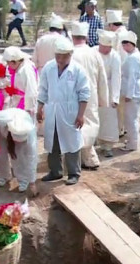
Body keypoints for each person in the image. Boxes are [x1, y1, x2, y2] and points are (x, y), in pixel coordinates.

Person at [37, 37, 90, 186]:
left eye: (63, 56)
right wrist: (40, 107)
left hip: (70, 112)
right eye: (57, 56)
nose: (60, 59)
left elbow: (84, 93)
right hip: (52, 110)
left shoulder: (78, 70)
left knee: (72, 142)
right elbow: (43, 89)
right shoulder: (49, 67)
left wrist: (81, 114)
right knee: (52, 142)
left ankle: (74, 173)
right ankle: (55, 171)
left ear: (70, 55)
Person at [70, 21, 109, 170]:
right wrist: (103, 98)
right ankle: (90, 158)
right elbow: (102, 77)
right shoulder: (94, 53)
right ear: (86, 37)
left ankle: (80, 158)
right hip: (91, 94)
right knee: (90, 124)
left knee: (77, 125)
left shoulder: (71, 53)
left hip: (74, 95)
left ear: (73, 37)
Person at [0, 108, 39, 195]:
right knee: (1, 154)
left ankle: (23, 180)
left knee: (20, 156)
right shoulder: (1, 120)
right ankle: (4, 176)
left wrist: (32, 182)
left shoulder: (30, 134)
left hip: (13, 133)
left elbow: (32, 158)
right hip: (1, 131)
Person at [96, 29, 121, 158]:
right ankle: (93, 142)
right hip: (95, 88)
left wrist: (115, 97)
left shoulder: (115, 56)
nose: (107, 50)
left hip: (109, 90)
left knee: (108, 119)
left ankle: (108, 146)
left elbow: (117, 77)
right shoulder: (93, 52)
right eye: (105, 46)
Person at [120, 31, 140, 152]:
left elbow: (132, 78)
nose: (123, 48)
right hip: (133, 91)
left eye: (125, 45)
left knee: (131, 119)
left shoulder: (133, 58)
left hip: (133, 93)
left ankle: (132, 143)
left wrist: (129, 94)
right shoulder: (132, 56)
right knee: (131, 118)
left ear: (130, 44)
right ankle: (131, 140)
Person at [2, 46, 38, 120]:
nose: (8, 65)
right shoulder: (19, 68)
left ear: (14, 62)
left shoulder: (26, 70)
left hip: (25, 104)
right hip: (17, 101)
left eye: (8, 63)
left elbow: (31, 90)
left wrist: (28, 108)